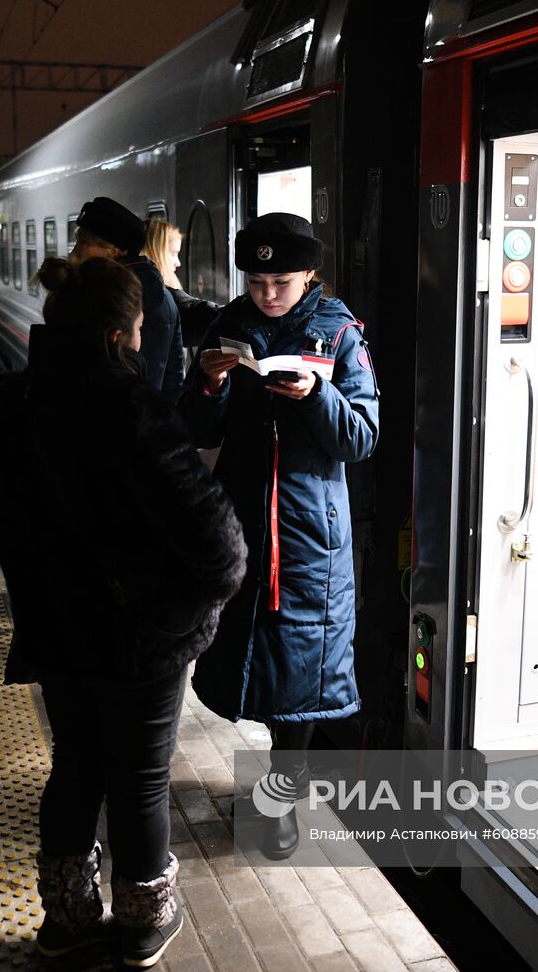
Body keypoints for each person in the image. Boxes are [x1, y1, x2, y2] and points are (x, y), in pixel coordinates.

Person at [0, 256, 245, 967]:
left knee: (76, 765)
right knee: (139, 780)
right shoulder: (133, 409)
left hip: (55, 628)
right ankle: (145, 922)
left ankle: (66, 918)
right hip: (137, 639)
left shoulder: (2, 402)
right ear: (122, 333)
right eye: (143, 326)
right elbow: (223, 553)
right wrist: (177, 618)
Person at [179, 212, 379, 859]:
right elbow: (198, 428)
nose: (267, 293)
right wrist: (208, 382)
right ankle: (269, 788)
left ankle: (281, 802)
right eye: (258, 280)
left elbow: (361, 436)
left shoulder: (340, 331)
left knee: (303, 675)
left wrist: (316, 395)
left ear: (310, 275)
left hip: (309, 536)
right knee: (252, 661)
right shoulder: (230, 325)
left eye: (282, 281)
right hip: (239, 523)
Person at [70, 197, 185, 401]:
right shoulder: (163, 298)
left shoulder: (106, 300)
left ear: (113, 250)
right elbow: (172, 383)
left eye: (84, 243)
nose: (73, 255)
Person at [143, 217, 219, 359]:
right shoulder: (159, 297)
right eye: (173, 254)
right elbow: (191, 311)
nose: (178, 263)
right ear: (155, 253)